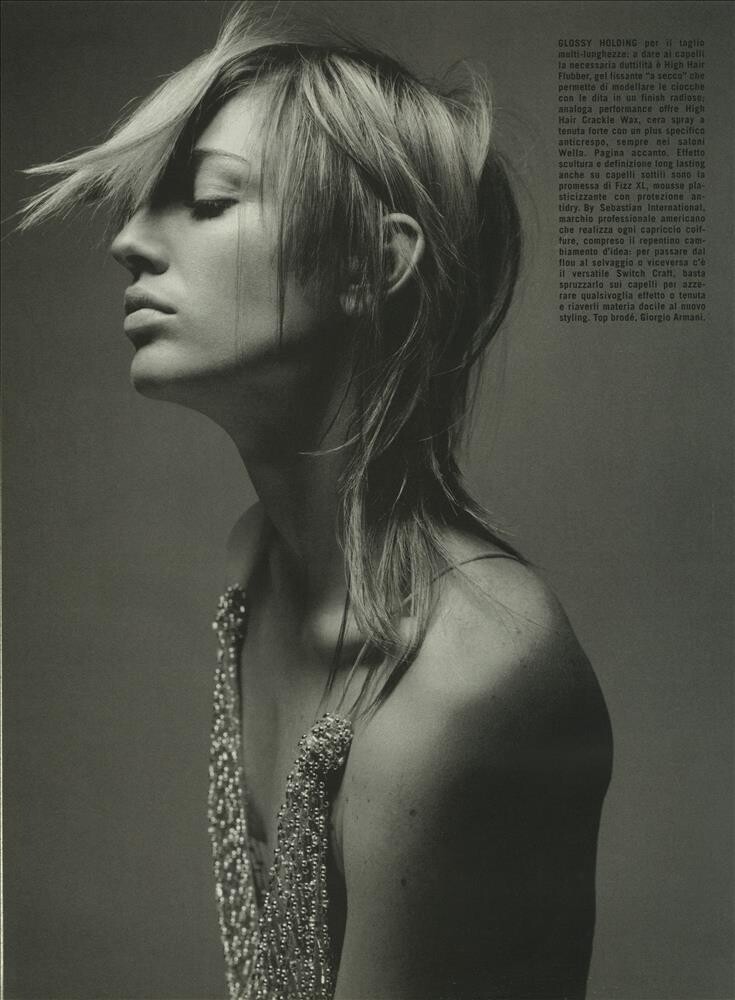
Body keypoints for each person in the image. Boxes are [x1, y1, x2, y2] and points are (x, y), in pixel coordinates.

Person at [21, 4, 613, 997]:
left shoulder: (469, 676)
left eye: (210, 199)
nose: (127, 241)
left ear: (371, 264)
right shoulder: (256, 564)